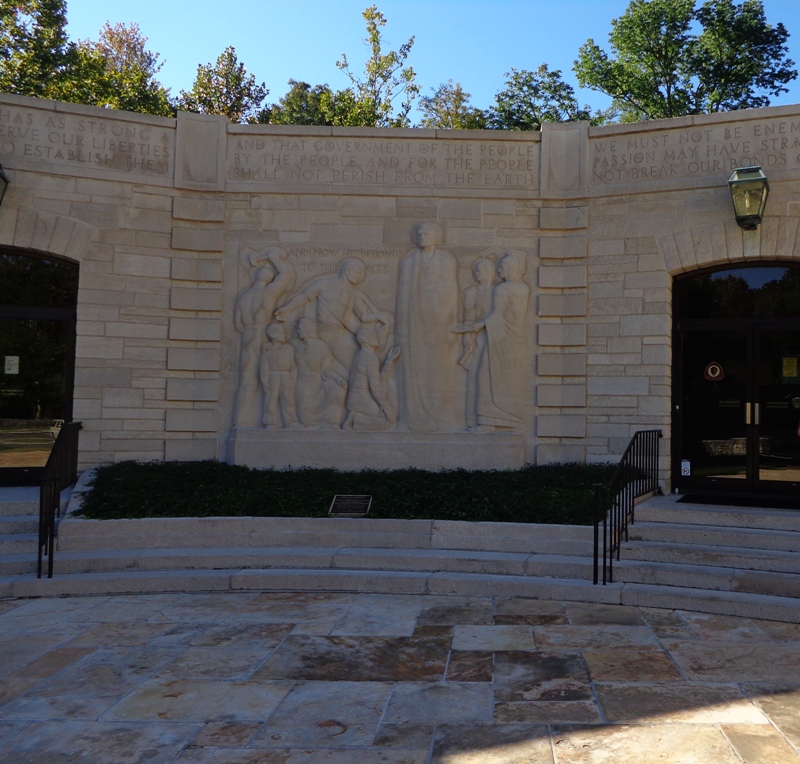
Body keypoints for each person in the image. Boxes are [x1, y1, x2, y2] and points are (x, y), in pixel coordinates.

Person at [452, 251, 530, 430]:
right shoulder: (524, 288)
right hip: (515, 340)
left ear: (510, 269)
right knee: (508, 381)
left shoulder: (502, 289)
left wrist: (474, 327)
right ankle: (511, 422)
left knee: (486, 378)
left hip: (499, 339)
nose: (499, 270)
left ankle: (488, 423)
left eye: (501, 267)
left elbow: (497, 316)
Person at [394, 222, 461, 431]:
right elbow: (403, 297)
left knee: (438, 370)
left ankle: (440, 416)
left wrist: (451, 321)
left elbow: (452, 293)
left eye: (427, 234)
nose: (422, 236)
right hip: (414, 324)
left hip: (438, 324)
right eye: (420, 234)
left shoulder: (446, 260)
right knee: (414, 369)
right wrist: (403, 328)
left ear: (436, 237)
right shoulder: (409, 261)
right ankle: (413, 418)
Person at [275, 258, 392, 371]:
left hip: (340, 334)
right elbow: (304, 297)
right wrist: (288, 308)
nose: (358, 276)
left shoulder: (353, 293)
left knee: (359, 361)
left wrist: (380, 316)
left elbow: (363, 316)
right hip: (323, 332)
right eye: (356, 273)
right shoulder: (323, 285)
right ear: (347, 271)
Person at [232, 248, 295, 427]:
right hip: (260, 338)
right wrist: (274, 258)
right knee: (268, 381)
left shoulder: (243, 296)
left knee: (246, 380)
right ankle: (270, 421)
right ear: (269, 279)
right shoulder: (268, 293)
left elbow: (238, 324)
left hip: (247, 338)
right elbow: (286, 274)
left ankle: (241, 422)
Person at [459, 257, 496, 429]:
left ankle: (492, 418)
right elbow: (468, 318)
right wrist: (468, 338)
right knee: (474, 377)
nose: (476, 273)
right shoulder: (471, 293)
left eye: (480, 270)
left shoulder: (499, 292)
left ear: (490, 273)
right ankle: (471, 420)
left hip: (497, 338)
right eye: (476, 270)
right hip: (478, 338)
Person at [292, 318, 348, 428]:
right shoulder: (294, 345)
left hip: (318, 383)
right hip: (302, 384)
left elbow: (326, 370)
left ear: (307, 330)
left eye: (300, 329)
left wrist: (338, 378)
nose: (297, 331)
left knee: (338, 387)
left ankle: (332, 422)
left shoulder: (322, 347)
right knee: (305, 421)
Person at [343, 328, 401, 431]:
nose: (376, 337)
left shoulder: (360, 354)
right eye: (373, 336)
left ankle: (354, 416)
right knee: (389, 423)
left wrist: (389, 361)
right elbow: (375, 387)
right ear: (365, 340)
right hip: (361, 400)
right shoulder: (370, 357)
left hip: (354, 398)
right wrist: (387, 407)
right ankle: (354, 419)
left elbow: (377, 379)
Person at [260, 323, 299, 429]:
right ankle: (270, 422)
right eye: (282, 333)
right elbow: (264, 366)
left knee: (288, 399)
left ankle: (290, 422)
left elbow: (293, 366)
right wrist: (264, 380)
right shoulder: (266, 348)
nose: (284, 335)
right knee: (270, 400)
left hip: (286, 376)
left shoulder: (289, 348)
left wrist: (292, 379)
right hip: (272, 375)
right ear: (273, 335)